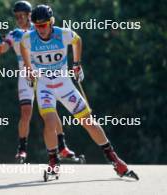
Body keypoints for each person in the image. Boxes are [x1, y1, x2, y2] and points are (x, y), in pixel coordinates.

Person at [20, 4, 134, 177]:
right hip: (44, 87)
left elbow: (77, 40)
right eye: (36, 26)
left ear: (51, 22)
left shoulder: (62, 34)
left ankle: (115, 160)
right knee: (50, 122)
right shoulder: (29, 38)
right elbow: (22, 46)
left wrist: (76, 64)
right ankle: (53, 162)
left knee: (88, 122)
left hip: (64, 85)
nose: (40, 30)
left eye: (43, 25)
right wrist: (28, 68)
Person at [0, 1, 76, 163]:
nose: (19, 19)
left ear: (29, 16)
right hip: (26, 76)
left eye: (22, 16)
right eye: (16, 16)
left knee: (51, 112)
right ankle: (22, 149)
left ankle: (62, 146)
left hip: (44, 76)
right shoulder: (16, 34)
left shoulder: (40, 29)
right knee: (26, 111)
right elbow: (1, 49)